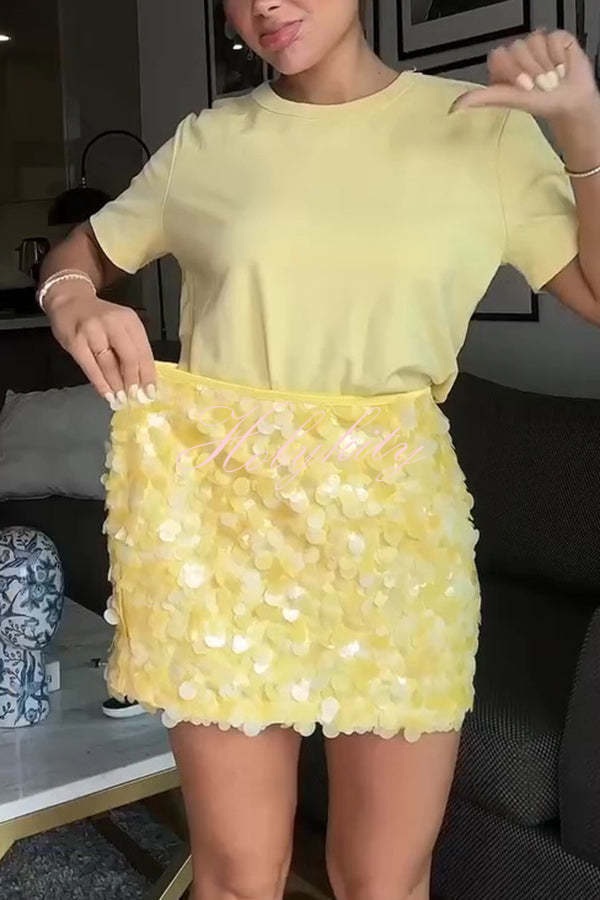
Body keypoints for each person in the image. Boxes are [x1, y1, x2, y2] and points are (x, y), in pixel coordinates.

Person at [37, 2, 594, 898]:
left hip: (395, 541)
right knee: (237, 874)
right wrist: (71, 297)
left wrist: (582, 132)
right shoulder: (208, 144)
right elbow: (83, 252)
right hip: (218, 537)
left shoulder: (480, 132)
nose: (264, 3)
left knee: (384, 879)